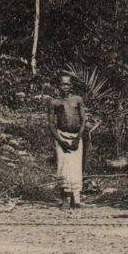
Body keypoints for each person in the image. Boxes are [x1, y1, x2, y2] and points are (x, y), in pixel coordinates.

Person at [49, 71, 88, 208]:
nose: (65, 87)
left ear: (71, 86)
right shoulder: (54, 102)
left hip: (76, 137)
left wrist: (78, 138)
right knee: (63, 167)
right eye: (62, 84)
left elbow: (83, 120)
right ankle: (65, 198)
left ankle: (76, 199)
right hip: (61, 136)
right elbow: (51, 124)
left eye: (67, 84)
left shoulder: (78, 100)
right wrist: (60, 141)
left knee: (76, 167)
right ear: (58, 86)